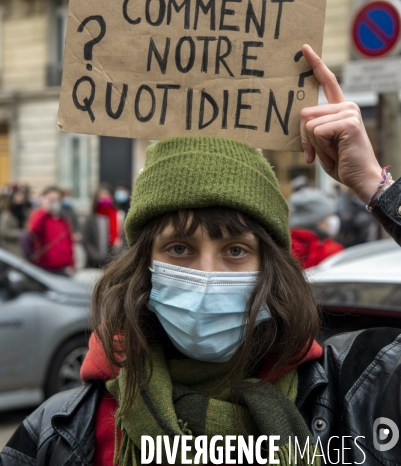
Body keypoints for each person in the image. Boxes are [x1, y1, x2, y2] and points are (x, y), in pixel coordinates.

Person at [2, 45, 401, 465]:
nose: (207, 275)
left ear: (271, 269)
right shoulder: (59, 432)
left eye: (235, 250)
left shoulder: (360, 391)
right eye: (179, 248)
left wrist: (378, 188)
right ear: (144, 268)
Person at [289, 187, 343, 268]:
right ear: (318, 221)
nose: (332, 221)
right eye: (328, 216)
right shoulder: (332, 250)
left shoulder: (283, 244)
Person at [26, 186, 74, 274]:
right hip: (45, 267)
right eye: (51, 199)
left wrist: (72, 264)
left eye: (57, 199)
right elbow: (33, 230)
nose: (54, 202)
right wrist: (44, 210)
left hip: (62, 268)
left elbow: (70, 242)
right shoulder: (39, 215)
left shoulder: (64, 219)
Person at [82, 185, 123, 268]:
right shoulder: (91, 219)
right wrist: (96, 257)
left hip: (112, 263)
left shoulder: (117, 216)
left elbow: (123, 238)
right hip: (93, 263)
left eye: (107, 195)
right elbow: (86, 241)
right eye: (101, 196)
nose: (105, 198)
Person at [0, 187, 29, 257]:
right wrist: (22, 233)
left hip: (23, 245)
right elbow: (4, 231)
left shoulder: (24, 211)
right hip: (12, 247)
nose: (21, 197)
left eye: (22, 195)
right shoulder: (7, 213)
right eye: (18, 195)